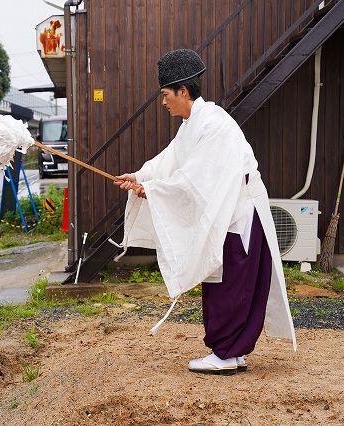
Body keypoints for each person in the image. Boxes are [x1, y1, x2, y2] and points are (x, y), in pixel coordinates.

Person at [114, 49, 296, 375]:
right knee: (229, 282)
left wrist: (154, 190)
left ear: (183, 91)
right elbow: (171, 161)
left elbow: (196, 176)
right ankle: (234, 351)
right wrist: (141, 178)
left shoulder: (213, 123)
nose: (164, 101)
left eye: (166, 94)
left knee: (231, 285)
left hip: (238, 212)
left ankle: (226, 353)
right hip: (230, 211)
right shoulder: (192, 123)